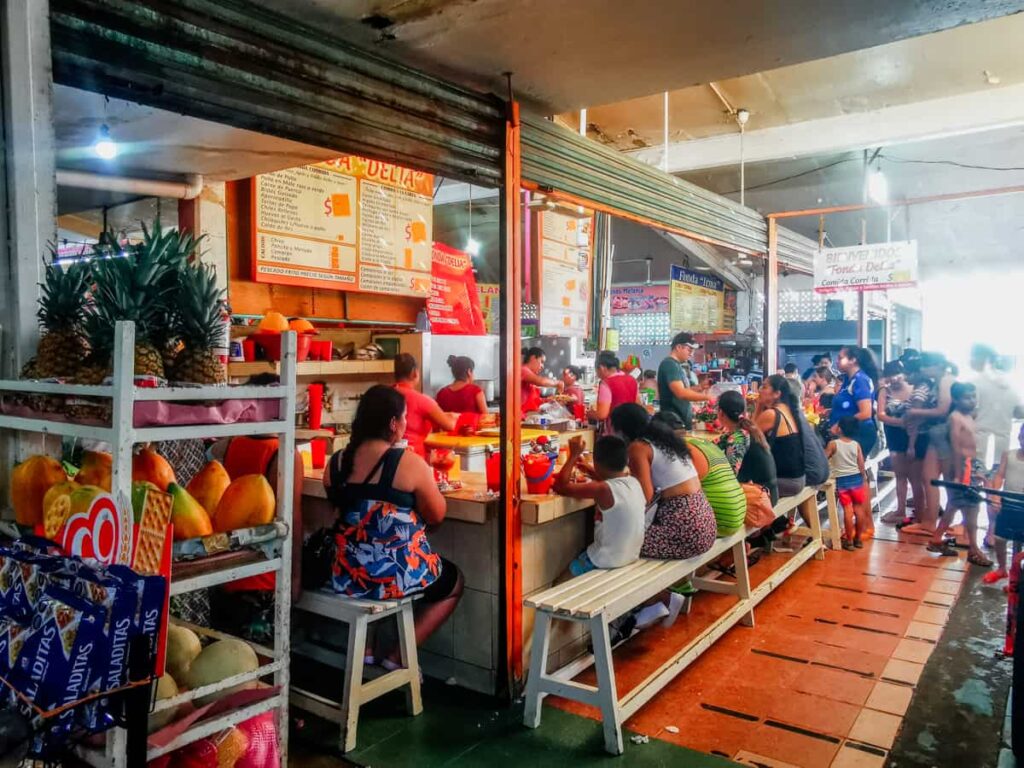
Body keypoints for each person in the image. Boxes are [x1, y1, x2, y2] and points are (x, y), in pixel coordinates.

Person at [326, 385, 463, 667]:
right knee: (454, 581)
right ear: (393, 423)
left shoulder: (337, 462)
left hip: (346, 575)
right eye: (403, 418)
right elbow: (437, 515)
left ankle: (367, 649)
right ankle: (400, 656)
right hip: (395, 577)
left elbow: (338, 509)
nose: (405, 423)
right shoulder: (407, 463)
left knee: (369, 557)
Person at [610, 404, 718, 562]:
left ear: (623, 429)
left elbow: (644, 497)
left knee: (616, 538)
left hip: (686, 532)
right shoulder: (664, 440)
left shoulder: (638, 447)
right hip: (705, 525)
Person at [553, 435, 645, 576]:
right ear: (625, 460)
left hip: (604, 560)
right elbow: (612, 481)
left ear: (597, 462)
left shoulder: (603, 489)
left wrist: (573, 455)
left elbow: (560, 486)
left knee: (558, 584)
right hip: (629, 557)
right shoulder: (634, 482)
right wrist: (590, 470)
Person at [927, 382, 991, 567]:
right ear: (955, 399)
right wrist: (957, 474)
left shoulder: (969, 416)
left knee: (954, 504)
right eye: (967, 397)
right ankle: (974, 549)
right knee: (972, 509)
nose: (971, 401)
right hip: (961, 468)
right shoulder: (955, 417)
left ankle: (937, 539)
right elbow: (955, 446)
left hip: (970, 465)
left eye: (973, 396)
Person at [969, 344, 1024, 545]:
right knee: (994, 489)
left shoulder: (977, 382)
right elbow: (1020, 412)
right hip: (1002, 443)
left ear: (982, 358)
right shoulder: (1011, 384)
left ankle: (973, 533)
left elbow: (970, 410)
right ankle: (992, 532)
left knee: (977, 489)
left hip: (979, 443)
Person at [902, 352, 956, 535]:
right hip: (937, 435)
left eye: (925, 366)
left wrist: (915, 413)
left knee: (948, 482)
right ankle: (930, 522)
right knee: (928, 478)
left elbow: (942, 410)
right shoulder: (938, 382)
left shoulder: (946, 381)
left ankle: (946, 522)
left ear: (937, 365)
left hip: (947, 435)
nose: (923, 369)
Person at [717, 390, 778, 503]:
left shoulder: (738, 437)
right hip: (767, 491)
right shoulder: (745, 430)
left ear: (720, 413)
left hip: (762, 499)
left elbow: (730, 476)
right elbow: (717, 444)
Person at [393, 353, 457, 457]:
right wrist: (454, 417)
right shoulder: (421, 400)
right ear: (415, 373)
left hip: (385, 457)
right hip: (412, 456)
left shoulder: (385, 395)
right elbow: (450, 425)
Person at [984, 424, 1024, 584]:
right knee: (1000, 538)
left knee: (1020, 542)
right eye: (1023, 436)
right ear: (1019, 437)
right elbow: (999, 476)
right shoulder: (1009, 455)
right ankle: (1002, 569)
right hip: (1008, 502)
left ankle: (1017, 579)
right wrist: (996, 496)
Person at [756, 374, 806, 498]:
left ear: (777, 394)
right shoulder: (788, 410)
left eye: (764, 387)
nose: (759, 390)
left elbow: (748, 436)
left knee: (741, 486)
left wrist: (758, 406)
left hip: (784, 481)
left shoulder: (771, 414)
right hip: (798, 478)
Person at [877, 360, 914, 525]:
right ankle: (900, 510)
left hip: (914, 436)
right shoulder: (885, 391)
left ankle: (922, 508)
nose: (894, 379)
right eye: (890, 376)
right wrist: (900, 422)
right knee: (900, 475)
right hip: (894, 435)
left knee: (917, 475)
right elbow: (880, 415)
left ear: (904, 374)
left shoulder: (914, 389)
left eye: (896, 375)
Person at [826, 416, 869, 550]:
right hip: (856, 479)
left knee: (847, 510)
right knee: (859, 510)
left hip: (842, 481)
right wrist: (864, 478)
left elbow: (823, 457)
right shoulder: (856, 444)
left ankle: (849, 541)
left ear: (840, 429)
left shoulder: (833, 444)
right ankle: (858, 539)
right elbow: (861, 464)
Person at [831, 346, 880, 457]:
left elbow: (865, 413)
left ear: (853, 360)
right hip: (847, 433)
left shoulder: (860, 380)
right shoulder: (848, 380)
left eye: (840, 358)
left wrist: (839, 425)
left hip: (858, 433)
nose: (837, 361)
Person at [657, 331, 711, 430]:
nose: (691, 354)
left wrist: (699, 387)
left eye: (693, 351)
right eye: (689, 349)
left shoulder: (677, 365)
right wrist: (709, 398)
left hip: (680, 421)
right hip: (673, 423)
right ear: (678, 347)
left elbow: (684, 389)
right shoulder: (669, 365)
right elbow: (680, 393)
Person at [589, 351, 639, 434]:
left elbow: (602, 414)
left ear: (602, 368)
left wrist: (590, 414)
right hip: (632, 427)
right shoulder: (632, 380)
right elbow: (638, 404)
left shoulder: (606, 383)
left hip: (614, 430)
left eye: (596, 371)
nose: (597, 375)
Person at [521, 347, 559, 415]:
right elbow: (540, 381)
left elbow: (533, 400)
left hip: (531, 417)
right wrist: (557, 383)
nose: (542, 366)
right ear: (533, 358)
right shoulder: (523, 370)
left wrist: (547, 401)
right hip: (523, 418)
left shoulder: (530, 377)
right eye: (541, 361)